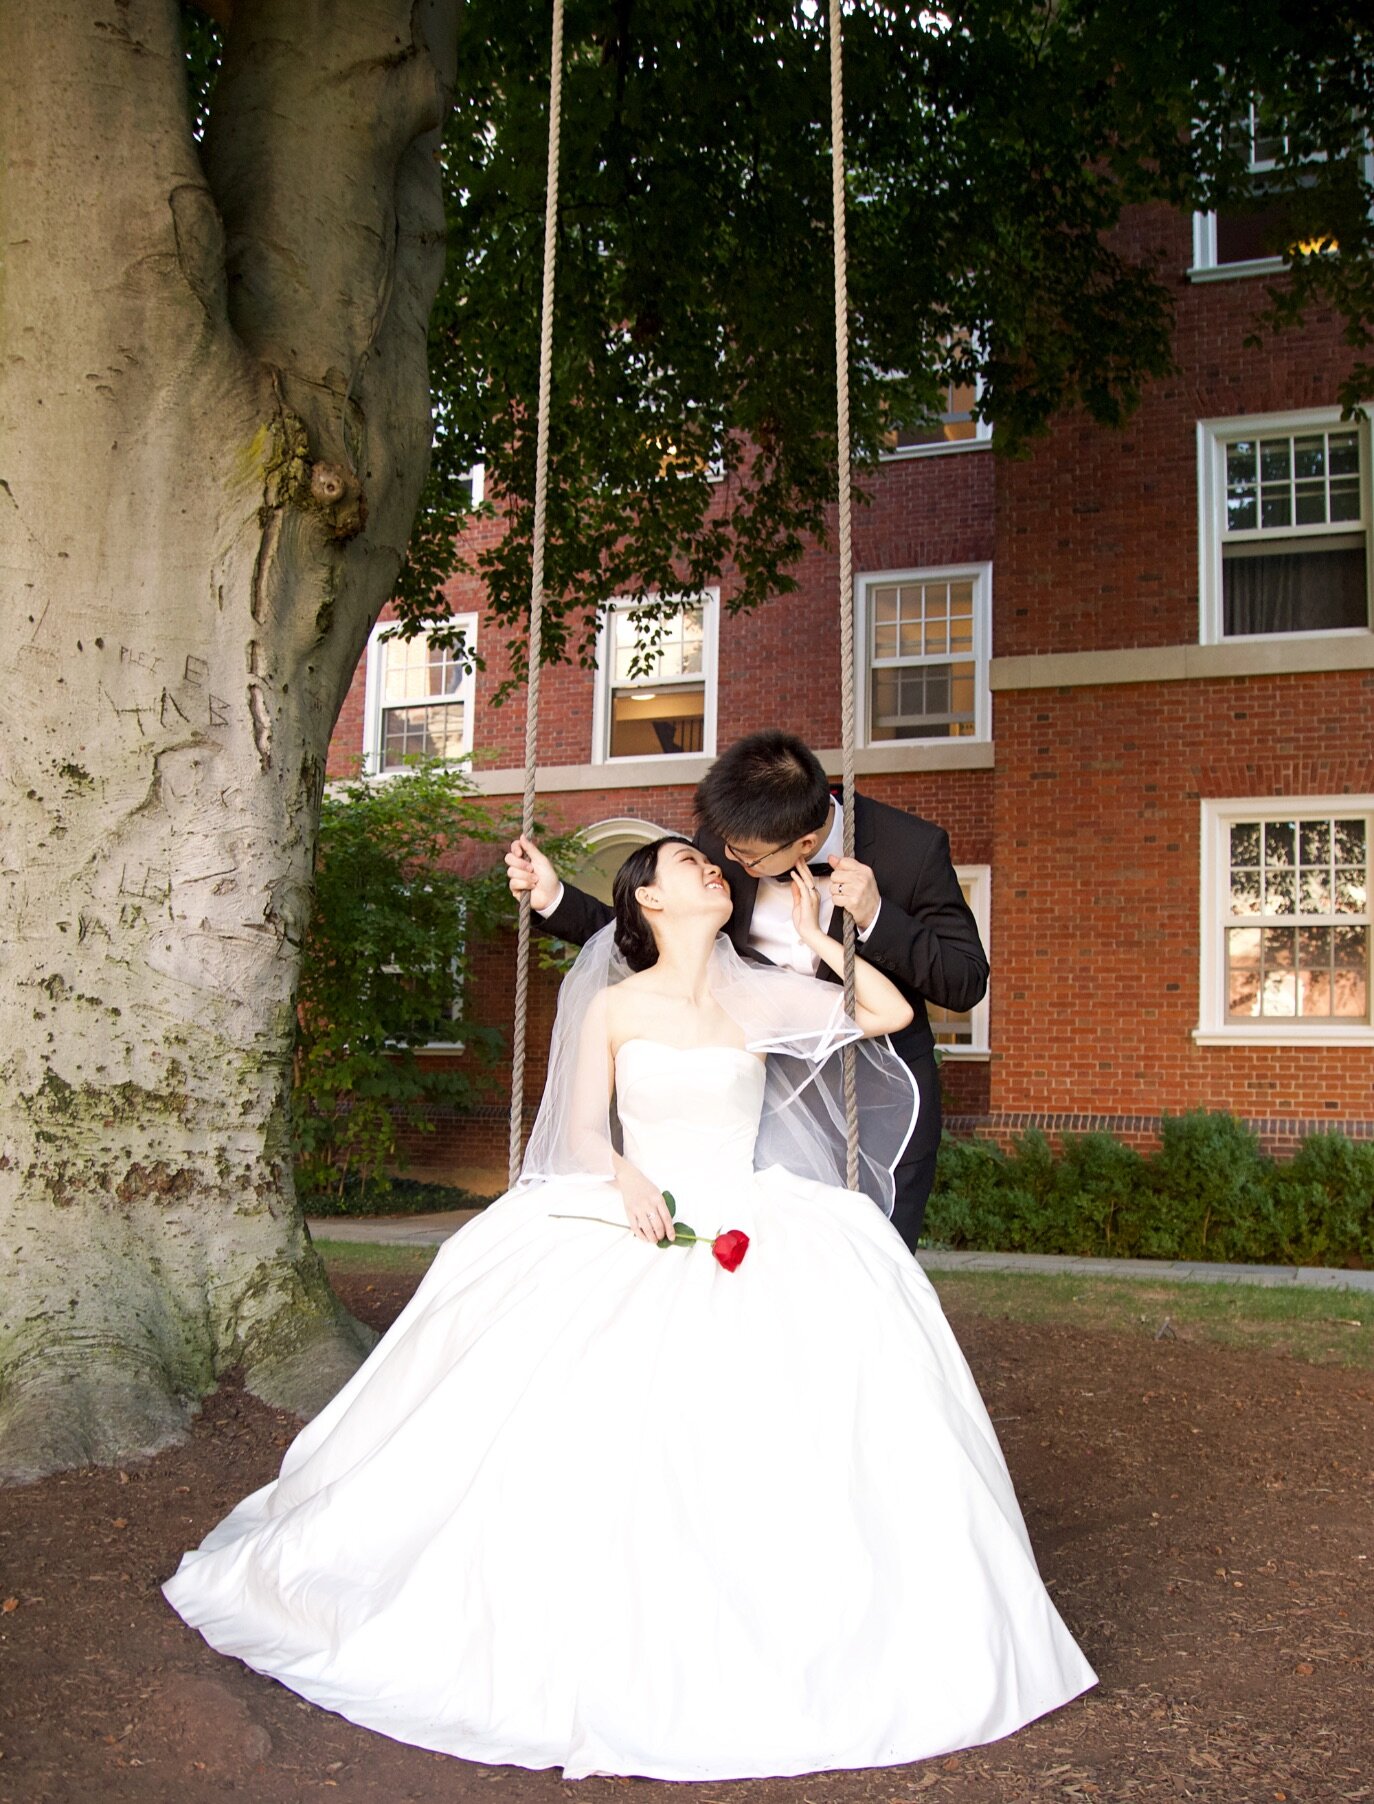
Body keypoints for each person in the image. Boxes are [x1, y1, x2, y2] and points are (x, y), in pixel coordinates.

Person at [164, 837, 1093, 1782]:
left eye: (711, 863)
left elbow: (890, 1011)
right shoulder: (615, 1004)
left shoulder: (755, 994)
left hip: (748, 1210)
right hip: (642, 1207)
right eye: (690, 862)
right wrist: (625, 1175)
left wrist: (819, 937)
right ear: (647, 898)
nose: (710, 871)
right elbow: (573, 1131)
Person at [508, 729, 988, 1250]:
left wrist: (875, 917)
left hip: (868, 1095)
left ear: (805, 844)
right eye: (719, 852)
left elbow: (964, 980)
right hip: (744, 1093)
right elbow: (659, 931)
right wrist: (554, 898)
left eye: (747, 858)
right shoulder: (728, 838)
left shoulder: (910, 851)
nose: (725, 863)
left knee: (870, 1266)